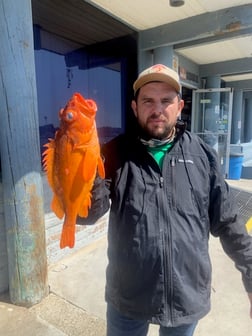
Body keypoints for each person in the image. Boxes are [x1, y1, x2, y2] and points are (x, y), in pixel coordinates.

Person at [89, 64, 252, 336]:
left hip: (186, 294)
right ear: (134, 107)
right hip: (128, 295)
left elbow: (227, 221)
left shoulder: (203, 155)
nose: (157, 109)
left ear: (179, 106)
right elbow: (88, 215)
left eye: (166, 101)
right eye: (148, 101)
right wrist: (81, 168)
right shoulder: (113, 153)